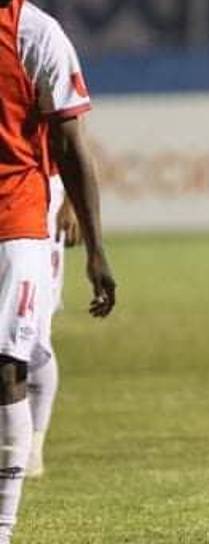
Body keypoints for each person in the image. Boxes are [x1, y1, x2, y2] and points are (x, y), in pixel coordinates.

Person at [0, 0, 116, 542]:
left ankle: (10, 506)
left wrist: (90, 237)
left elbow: (71, 141)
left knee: (19, 352)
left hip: (21, 216)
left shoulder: (38, 33)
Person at [26, 167, 79, 478]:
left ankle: (32, 446)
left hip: (41, 196)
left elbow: (71, 139)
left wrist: (71, 202)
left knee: (34, 331)